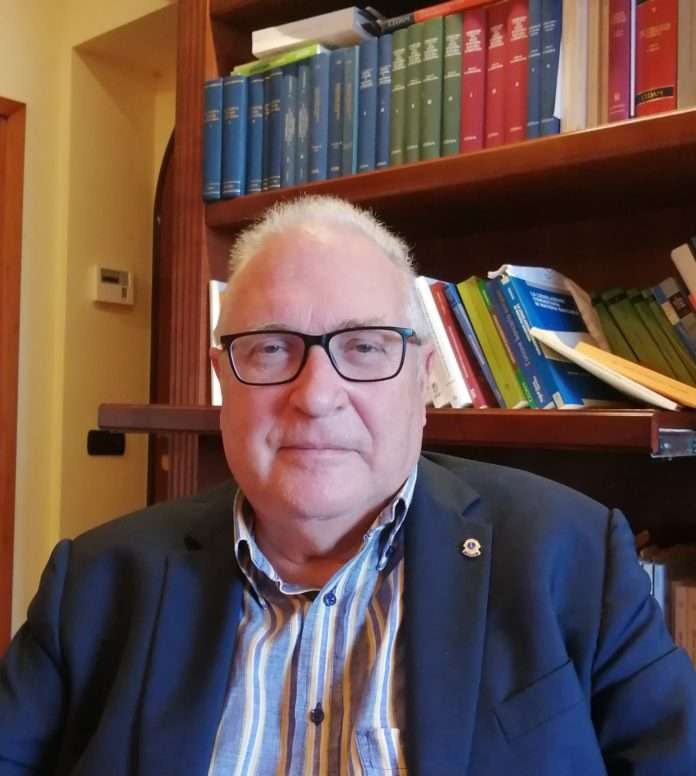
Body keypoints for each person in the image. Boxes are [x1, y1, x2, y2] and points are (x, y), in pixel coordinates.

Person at [1, 195, 695, 776]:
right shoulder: (94, 585)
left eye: (364, 347)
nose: (316, 395)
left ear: (422, 379)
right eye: (271, 348)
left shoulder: (572, 557)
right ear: (223, 380)